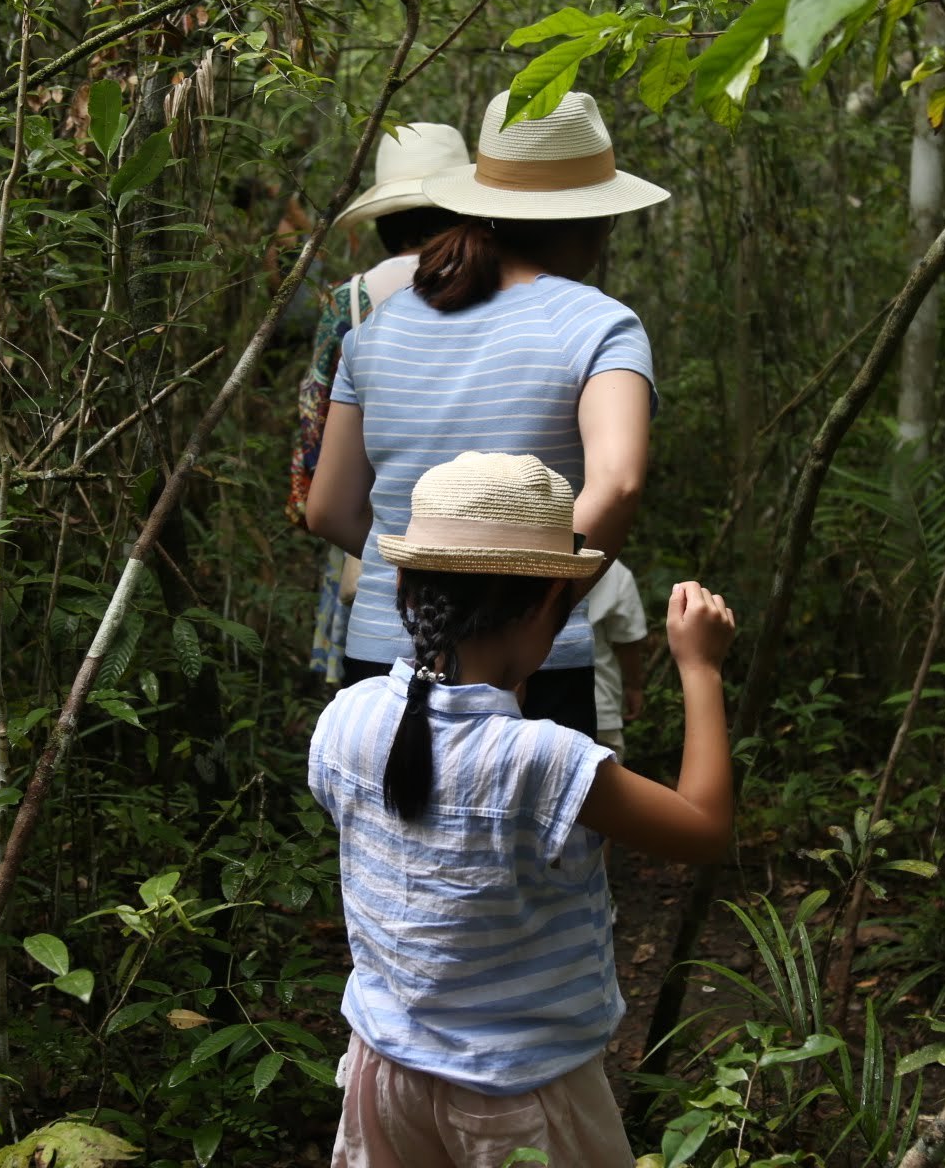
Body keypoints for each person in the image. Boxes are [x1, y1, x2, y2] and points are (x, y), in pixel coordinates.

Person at [307, 452, 737, 1167]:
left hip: (383, 1073)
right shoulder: (542, 761)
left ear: (409, 591)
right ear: (545, 606)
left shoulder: (346, 719)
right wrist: (701, 667)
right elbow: (703, 829)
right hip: (520, 1093)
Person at [306, 90, 668, 739]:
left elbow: (329, 510)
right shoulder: (599, 324)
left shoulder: (377, 331)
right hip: (533, 662)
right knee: (540, 839)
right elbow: (618, 483)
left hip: (381, 655)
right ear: (593, 218)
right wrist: (526, 619)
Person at [289, 122, 469, 684]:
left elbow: (314, 446)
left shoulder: (354, 301)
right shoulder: (503, 285)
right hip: (491, 536)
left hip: (376, 541)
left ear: (385, 219)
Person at [585, 557, 648, 758]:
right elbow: (627, 641)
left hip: (522, 710)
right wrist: (634, 686)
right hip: (596, 704)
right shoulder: (613, 570)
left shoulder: (517, 556)